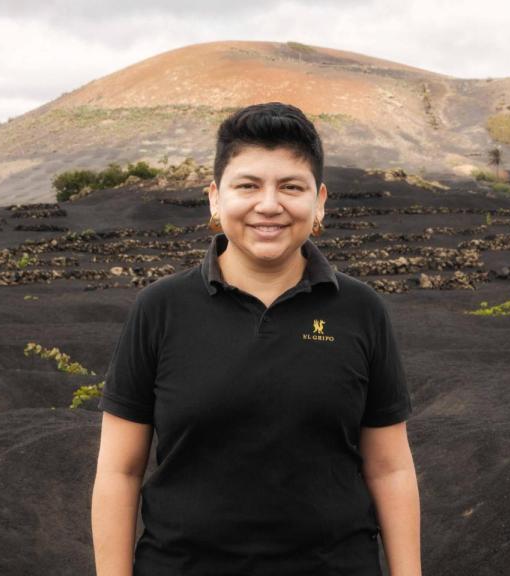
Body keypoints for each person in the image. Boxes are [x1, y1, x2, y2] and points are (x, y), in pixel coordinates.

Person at [91, 102, 422, 576]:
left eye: (291, 187)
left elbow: (390, 468)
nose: (269, 205)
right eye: (248, 185)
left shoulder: (360, 309)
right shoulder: (159, 309)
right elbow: (119, 473)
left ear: (320, 200)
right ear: (214, 197)